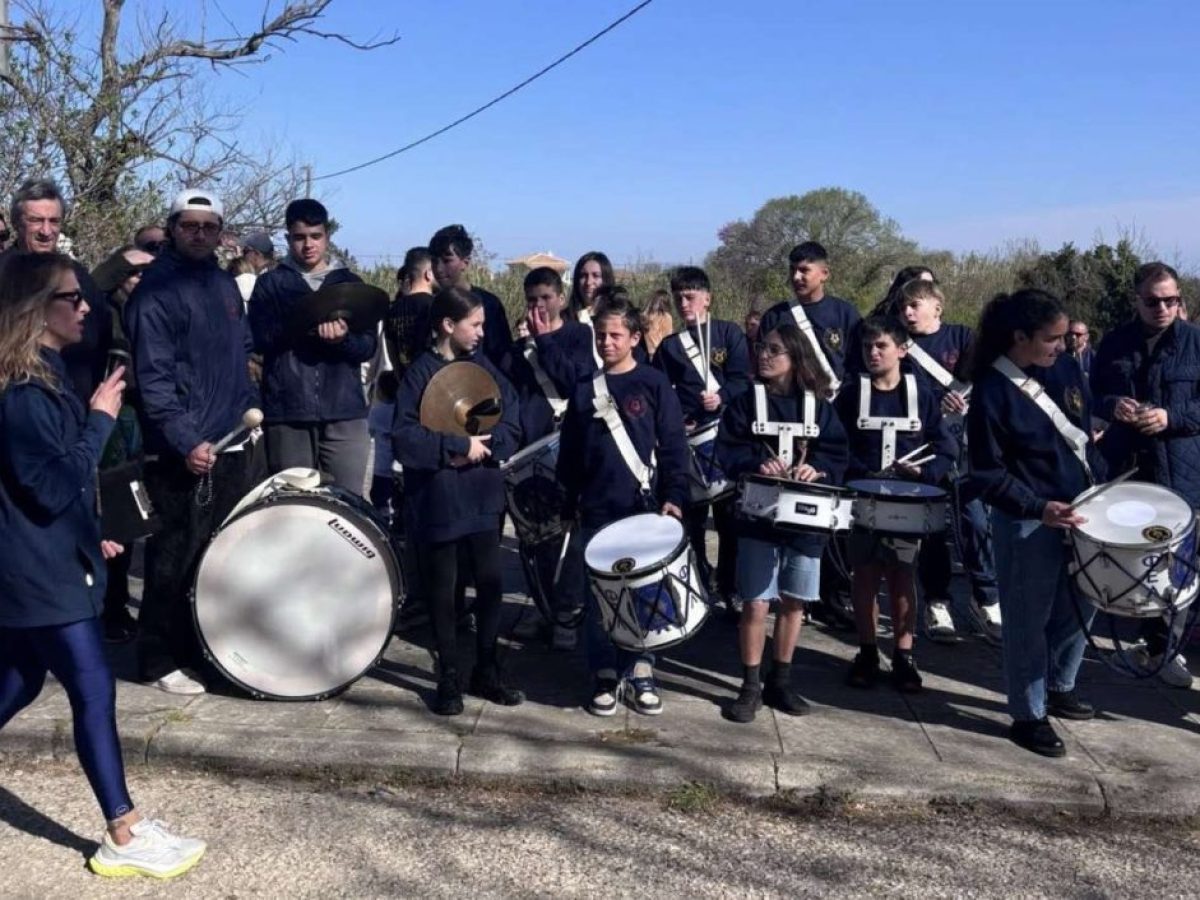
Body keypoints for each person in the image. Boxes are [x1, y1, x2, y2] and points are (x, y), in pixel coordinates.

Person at [0, 251, 206, 879]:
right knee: (94, 689)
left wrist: (95, 531)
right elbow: (48, 488)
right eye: (73, 298)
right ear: (37, 310)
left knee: (21, 681)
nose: (86, 307)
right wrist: (98, 421)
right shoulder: (24, 395)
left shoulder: (48, 376)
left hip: (44, 560)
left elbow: (48, 488)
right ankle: (123, 830)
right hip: (39, 571)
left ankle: (125, 827)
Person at [126, 188, 264, 695]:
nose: (200, 234)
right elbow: (154, 380)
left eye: (209, 227)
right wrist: (186, 440)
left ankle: (199, 651)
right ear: (172, 229)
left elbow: (243, 352)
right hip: (182, 450)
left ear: (221, 233)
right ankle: (157, 659)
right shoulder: (155, 292)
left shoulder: (223, 285)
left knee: (216, 557)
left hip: (230, 440)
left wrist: (249, 410)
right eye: (189, 225)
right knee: (174, 555)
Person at [968, 288, 1103, 757]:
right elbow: (986, 473)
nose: (1062, 347)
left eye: (1065, 337)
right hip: (1026, 518)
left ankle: (1061, 684)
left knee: (1084, 601)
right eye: (1052, 338)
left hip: (1082, 507)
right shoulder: (992, 390)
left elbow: (1082, 430)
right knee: (1027, 618)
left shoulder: (1064, 368)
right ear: (1020, 337)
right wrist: (1036, 506)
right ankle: (1028, 713)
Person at [557, 289, 690, 716]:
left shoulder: (653, 384)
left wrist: (674, 497)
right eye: (601, 335)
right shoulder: (584, 389)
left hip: (642, 507)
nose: (606, 342)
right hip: (597, 508)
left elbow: (674, 445)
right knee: (601, 597)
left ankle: (641, 669)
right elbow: (570, 453)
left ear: (634, 337)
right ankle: (603, 672)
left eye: (615, 335)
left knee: (642, 594)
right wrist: (568, 501)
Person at [393, 287, 524, 715]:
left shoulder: (483, 367)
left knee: (490, 582)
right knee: (443, 589)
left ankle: (486, 670)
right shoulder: (420, 374)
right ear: (449, 325)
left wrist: (488, 446)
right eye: (475, 324)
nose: (482, 332)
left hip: (482, 494)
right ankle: (448, 675)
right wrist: (456, 445)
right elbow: (404, 438)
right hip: (439, 498)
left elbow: (512, 419)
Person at [717, 324, 848, 722]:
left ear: (796, 356)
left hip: (806, 521)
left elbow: (837, 453)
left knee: (794, 601)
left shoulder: (819, 407)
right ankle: (750, 686)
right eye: (762, 348)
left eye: (774, 350)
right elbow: (726, 452)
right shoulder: (745, 402)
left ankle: (782, 681)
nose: (764, 355)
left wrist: (817, 468)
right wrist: (755, 464)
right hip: (758, 517)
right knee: (756, 602)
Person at [836, 316, 957, 693]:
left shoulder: (921, 394)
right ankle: (868, 651)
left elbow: (946, 448)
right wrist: (859, 474)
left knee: (902, 576)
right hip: (864, 501)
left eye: (881, 346)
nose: (872, 353)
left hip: (907, 503)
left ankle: (904, 655)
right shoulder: (851, 394)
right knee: (865, 576)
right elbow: (835, 445)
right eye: (867, 347)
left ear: (902, 350)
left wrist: (924, 474)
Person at [1091, 262, 1198, 688]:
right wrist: (1113, 404)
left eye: (1171, 300)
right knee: (1128, 557)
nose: (1163, 308)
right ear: (1136, 301)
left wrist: (1172, 417)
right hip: (1126, 466)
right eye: (1153, 301)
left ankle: (1166, 648)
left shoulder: (1195, 342)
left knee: (1180, 565)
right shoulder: (1115, 342)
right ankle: (1133, 635)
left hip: (1180, 469)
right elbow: (1092, 394)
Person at [758, 241, 863, 627]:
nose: (798, 276)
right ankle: (771, 592)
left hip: (831, 419)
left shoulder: (845, 314)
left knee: (830, 513)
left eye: (806, 269)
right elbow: (765, 368)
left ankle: (830, 595)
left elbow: (857, 365)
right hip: (788, 417)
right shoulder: (777, 315)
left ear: (824, 273)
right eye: (794, 269)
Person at [895, 277, 1003, 643]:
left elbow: (986, 376)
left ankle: (986, 597)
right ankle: (936, 601)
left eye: (915, 305)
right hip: (925, 448)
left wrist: (965, 398)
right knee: (932, 529)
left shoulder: (962, 337)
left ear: (936, 307)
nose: (908, 312)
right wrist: (934, 401)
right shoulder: (900, 346)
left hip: (965, 446)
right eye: (903, 307)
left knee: (975, 521)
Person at [248, 199, 375, 493]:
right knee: (293, 503)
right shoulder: (271, 285)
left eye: (316, 236)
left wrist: (343, 340)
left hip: (345, 411)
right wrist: (305, 324)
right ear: (288, 237)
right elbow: (259, 339)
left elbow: (367, 347)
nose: (308, 245)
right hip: (288, 413)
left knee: (347, 504)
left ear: (327, 236)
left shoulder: (350, 284)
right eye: (300, 237)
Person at [505, 266, 596, 648]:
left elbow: (576, 382)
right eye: (532, 300)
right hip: (531, 452)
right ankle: (545, 610)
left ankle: (568, 615)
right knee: (535, 539)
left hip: (568, 447)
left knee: (568, 538)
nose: (539, 306)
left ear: (560, 298)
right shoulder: (518, 351)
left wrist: (544, 340)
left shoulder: (579, 335)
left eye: (545, 298)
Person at [653, 266, 752, 611]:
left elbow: (743, 380)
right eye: (679, 297)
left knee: (730, 523)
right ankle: (699, 580)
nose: (684, 303)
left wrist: (722, 396)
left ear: (707, 298)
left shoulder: (729, 334)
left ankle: (730, 586)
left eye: (691, 296)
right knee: (692, 523)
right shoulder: (669, 346)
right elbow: (661, 392)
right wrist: (676, 422)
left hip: (727, 441)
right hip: (689, 444)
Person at [89, 245, 155, 643]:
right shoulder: (100, 310)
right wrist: (123, 261)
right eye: (133, 274)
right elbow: (93, 285)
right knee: (110, 515)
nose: (140, 280)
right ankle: (106, 610)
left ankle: (116, 608)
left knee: (132, 519)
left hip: (142, 421)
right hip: (111, 418)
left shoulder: (154, 309)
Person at [4, 179, 111, 407]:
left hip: (77, 406)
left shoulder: (78, 276)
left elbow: (101, 337)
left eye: (54, 221)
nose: (46, 231)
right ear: (16, 223)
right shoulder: (4, 275)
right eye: (35, 220)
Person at [428, 225, 512, 369]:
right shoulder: (429, 304)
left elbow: (502, 357)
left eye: (447, 261)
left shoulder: (489, 304)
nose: (439, 268)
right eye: (435, 261)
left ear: (465, 263)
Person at [568, 251, 615, 367]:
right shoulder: (565, 318)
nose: (589, 282)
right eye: (583, 276)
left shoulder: (618, 316)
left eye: (596, 276)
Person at [234, 232, 275, 304]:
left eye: (245, 251)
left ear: (257, 254)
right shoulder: (274, 272)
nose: (242, 255)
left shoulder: (267, 278)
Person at [641, 288, 674, 359]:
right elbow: (668, 337)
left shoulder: (645, 316)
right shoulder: (666, 317)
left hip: (646, 353)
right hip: (660, 352)